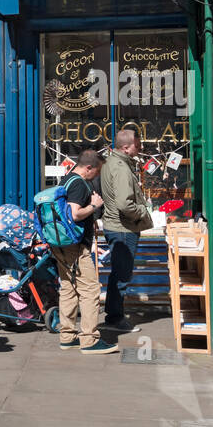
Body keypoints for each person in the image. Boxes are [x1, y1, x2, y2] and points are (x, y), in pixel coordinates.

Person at [51, 149, 117, 355]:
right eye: (96, 172)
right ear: (88, 168)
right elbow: (75, 213)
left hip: (60, 244)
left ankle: (68, 336)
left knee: (69, 288)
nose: (96, 176)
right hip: (76, 247)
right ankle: (89, 339)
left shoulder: (66, 179)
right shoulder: (79, 184)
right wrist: (94, 206)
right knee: (90, 290)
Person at [100, 128, 153, 333]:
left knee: (118, 273)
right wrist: (142, 211)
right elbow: (124, 204)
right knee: (122, 275)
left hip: (117, 226)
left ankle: (114, 315)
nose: (139, 150)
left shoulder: (111, 162)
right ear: (125, 147)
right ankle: (115, 319)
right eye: (137, 146)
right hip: (123, 228)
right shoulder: (121, 168)